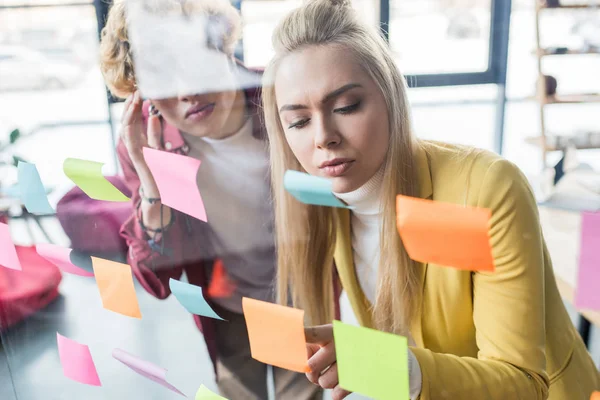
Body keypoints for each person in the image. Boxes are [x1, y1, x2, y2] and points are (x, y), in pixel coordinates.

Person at [261, 0, 600, 399]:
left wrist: (392, 367)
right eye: (298, 121)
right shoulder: (324, 198)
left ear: (389, 96)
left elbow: (523, 384)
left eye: (346, 106)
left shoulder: (487, 189)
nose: (322, 137)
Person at [99, 1, 324, 399]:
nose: (186, 92)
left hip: (304, 296)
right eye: (163, 77)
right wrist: (154, 188)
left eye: (193, 63)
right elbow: (157, 283)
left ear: (221, 46)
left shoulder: (280, 99)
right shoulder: (150, 144)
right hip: (229, 308)